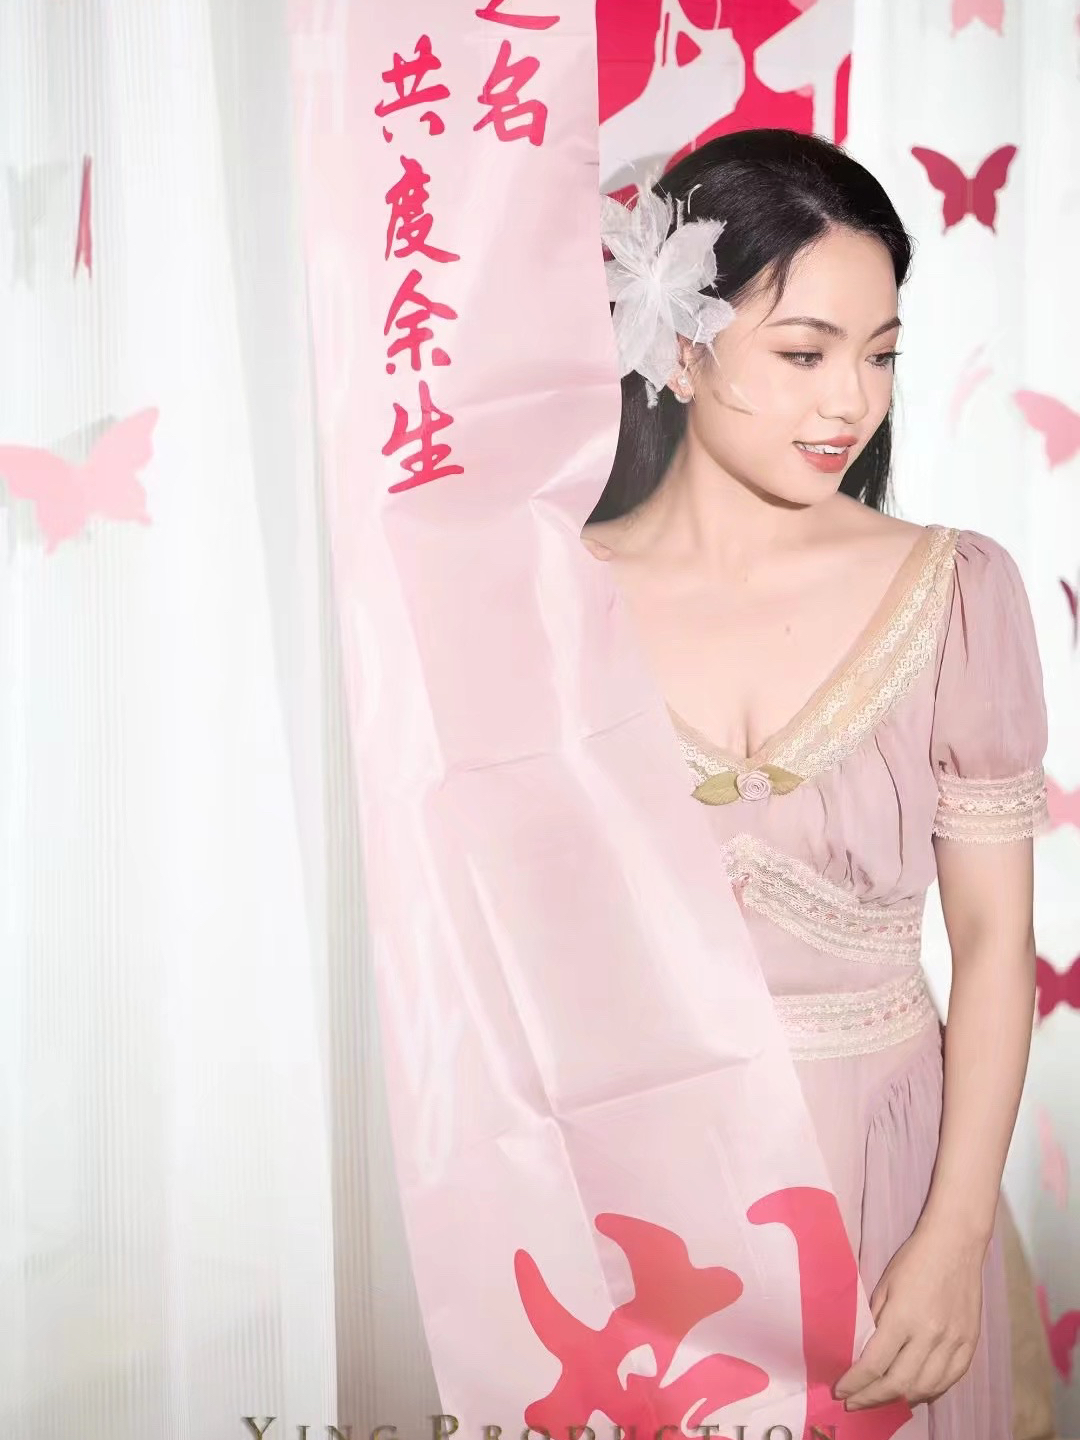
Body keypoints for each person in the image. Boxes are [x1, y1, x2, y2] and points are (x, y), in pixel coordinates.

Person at [581, 128, 1051, 1438]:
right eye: (805, 354)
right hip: (636, 1201)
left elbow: (994, 940)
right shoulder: (555, 600)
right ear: (680, 348)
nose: (851, 402)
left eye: (881, 354)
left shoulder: (956, 589)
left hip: (891, 1188)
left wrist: (956, 1236)